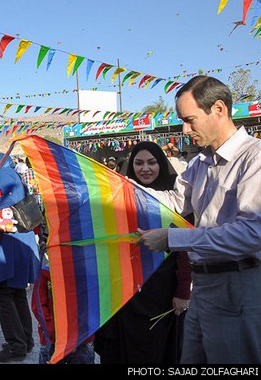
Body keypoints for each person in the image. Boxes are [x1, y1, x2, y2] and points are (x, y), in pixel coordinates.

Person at [137, 75, 261, 364]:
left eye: (190, 119)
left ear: (218, 109)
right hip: (203, 287)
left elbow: (251, 234)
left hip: (238, 285)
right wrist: (124, 190)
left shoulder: (255, 159)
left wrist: (172, 239)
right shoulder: (200, 162)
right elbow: (176, 202)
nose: (184, 129)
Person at [95, 141, 192, 364]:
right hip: (126, 290)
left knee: (158, 349)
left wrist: (183, 291)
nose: (144, 168)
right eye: (138, 163)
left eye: (151, 162)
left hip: (162, 291)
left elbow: (185, 250)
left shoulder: (178, 202)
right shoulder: (119, 198)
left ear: (162, 164)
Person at [0, 152, 40, 362]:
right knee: (16, 293)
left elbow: (13, 197)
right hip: (21, 240)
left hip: (12, 243)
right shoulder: (12, 172)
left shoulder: (5, 174)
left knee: (3, 293)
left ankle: (16, 345)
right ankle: (24, 340)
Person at [32, 264, 95, 364]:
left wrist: (76, 335)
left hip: (81, 338)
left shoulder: (86, 271)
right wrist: (54, 332)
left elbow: (93, 304)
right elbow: (38, 306)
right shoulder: (45, 272)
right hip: (53, 339)